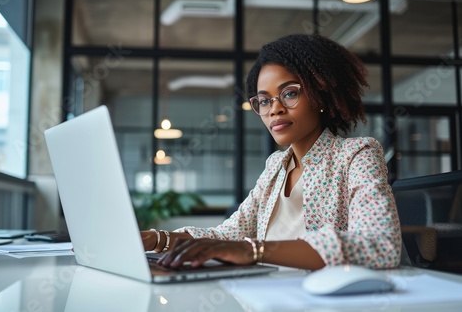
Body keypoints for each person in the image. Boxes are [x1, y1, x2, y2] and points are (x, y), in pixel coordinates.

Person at [140, 33, 402, 271]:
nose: (274, 109)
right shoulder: (276, 165)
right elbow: (229, 235)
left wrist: (253, 250)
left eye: (289, 93)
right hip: (266, 292)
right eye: (264, 100)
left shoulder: (356, 155)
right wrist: (156, 239)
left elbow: (380, 244)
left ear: (320, 95)